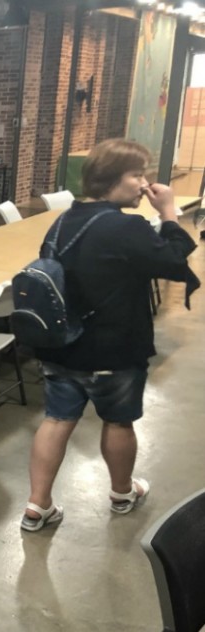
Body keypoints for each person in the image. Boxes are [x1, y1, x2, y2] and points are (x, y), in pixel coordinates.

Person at [22, 138, 198, 532]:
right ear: (110, 180)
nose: (144, 184)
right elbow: (173, 262)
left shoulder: (63, 221)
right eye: (136, 175)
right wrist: (169, 212)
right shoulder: (126, 227)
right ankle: (122, 493)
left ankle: (37, 505)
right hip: (113, 350)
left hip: (62, 344)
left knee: (56, 420)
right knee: (118, 423)